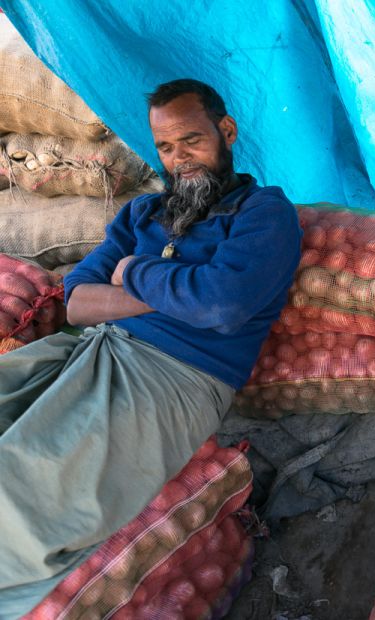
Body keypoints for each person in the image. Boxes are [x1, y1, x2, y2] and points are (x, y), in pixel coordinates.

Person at [0, 79, 301, 599]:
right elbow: (78, 301)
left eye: (192, 141)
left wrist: (135, 271)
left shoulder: (265, 213)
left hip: (173, 378)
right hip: (91, 351)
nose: (179, 158)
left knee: (21, 485)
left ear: (226, 132)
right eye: (165, 147)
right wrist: (180, 290)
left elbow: (224, 306)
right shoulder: (141, 214)